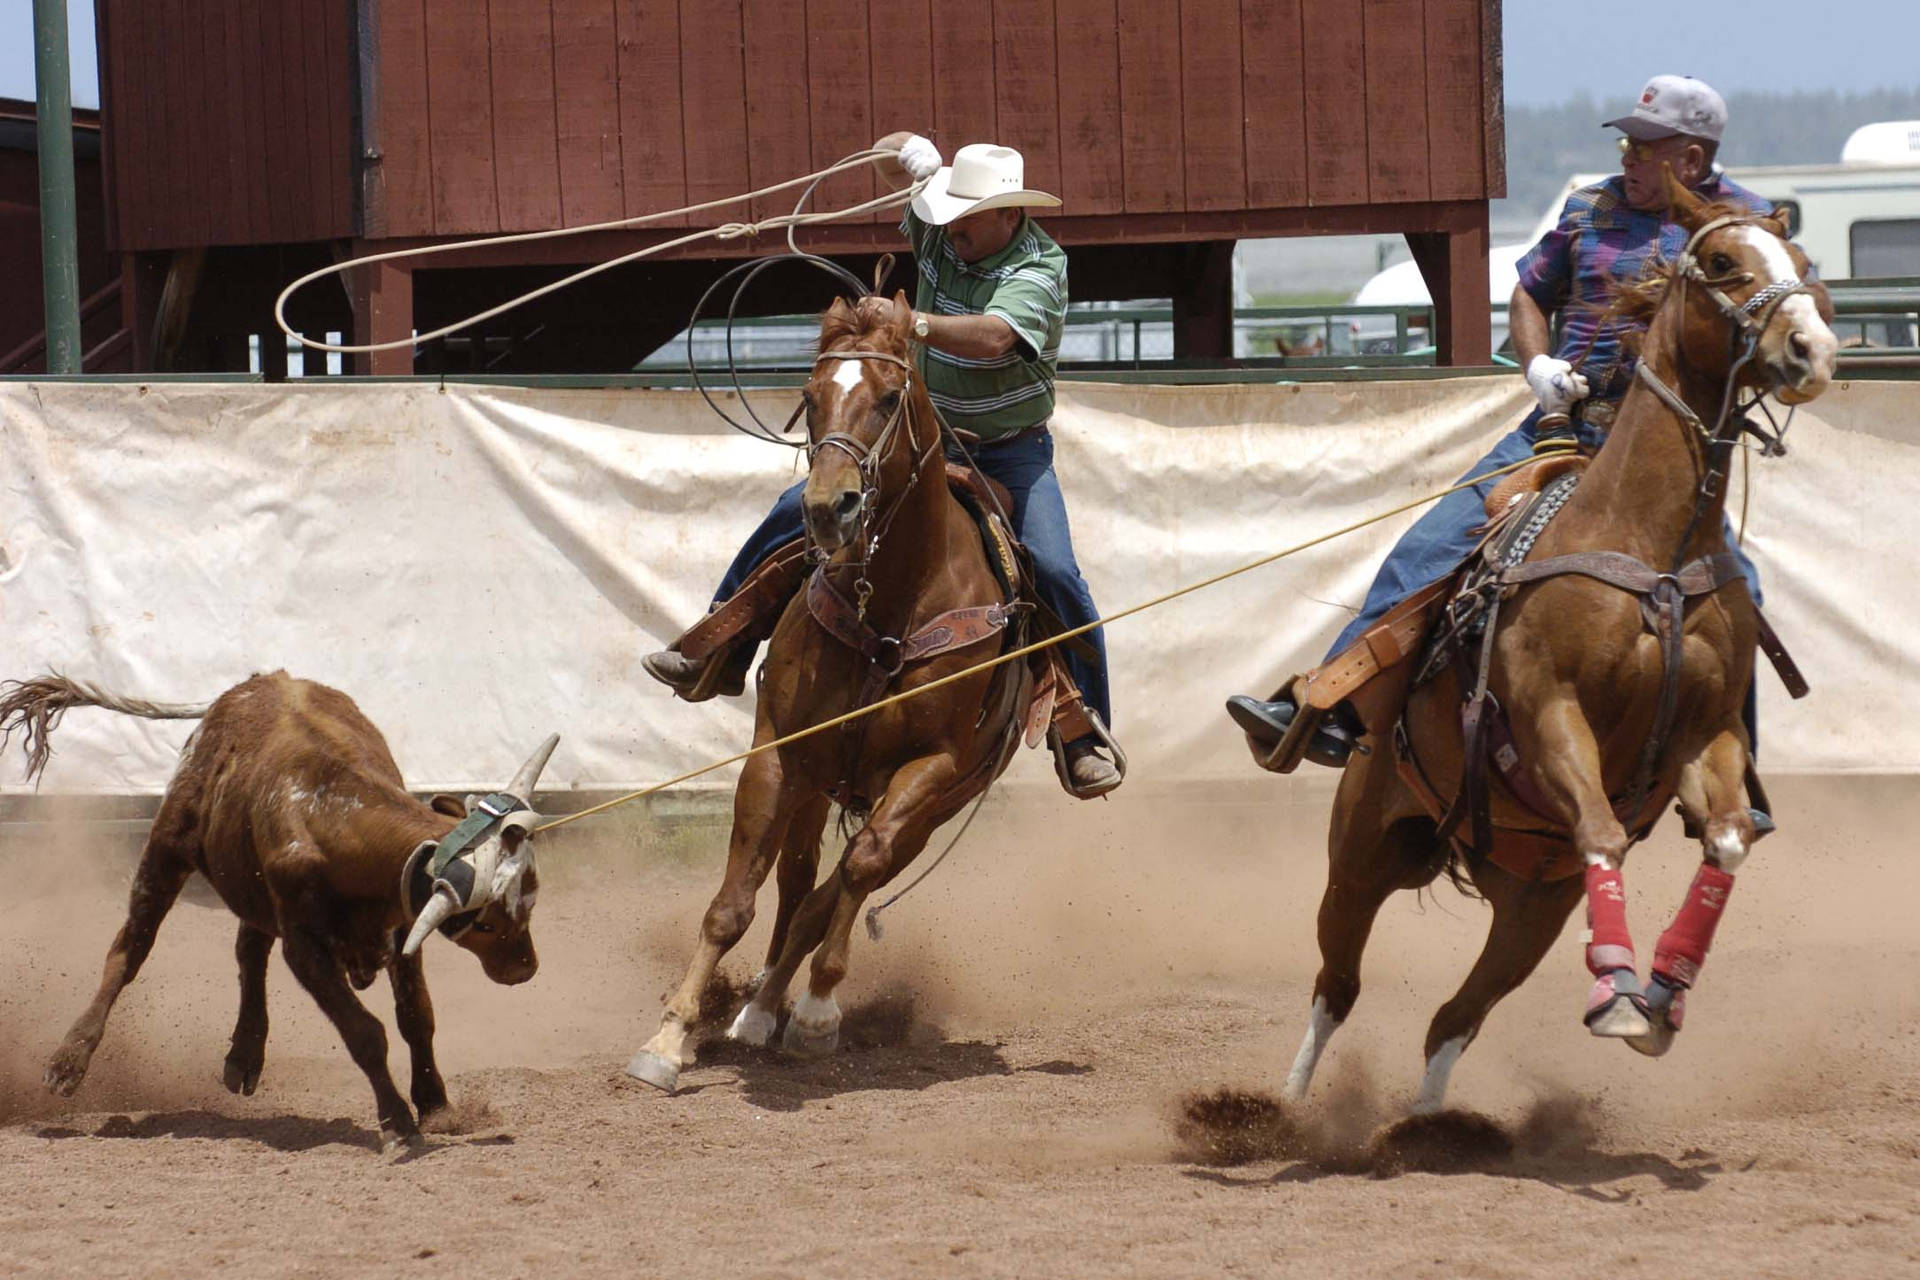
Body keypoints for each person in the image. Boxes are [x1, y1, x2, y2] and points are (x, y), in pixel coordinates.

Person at [1228, 74, 1774, 771]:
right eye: (1628, 145)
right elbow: (1530, 290)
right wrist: (1538, 365)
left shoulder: (1744, 225)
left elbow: (1779, 316)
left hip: (1670, 458)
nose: (1628, 157)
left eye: (1644, 146)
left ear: (1691, 160)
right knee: (1430, 545)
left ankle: (1735, 763)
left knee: (1739, 599)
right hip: (1562, 427)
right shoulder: (1588, 208)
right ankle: (1326, 709)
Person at [645, 133, 1123, 797]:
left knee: (1053, 568)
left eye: (969, 217)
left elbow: (995, 336)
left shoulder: (1039, 267)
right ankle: (719, 641)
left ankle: (1083, 727)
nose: (952, 228)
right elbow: (925, 191)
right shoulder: (944, 230)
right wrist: (920, 158)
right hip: (923, 437)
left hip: (1009, 452)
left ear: (1009, 216)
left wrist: (913, 324)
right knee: (799, 508)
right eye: (949, 214)